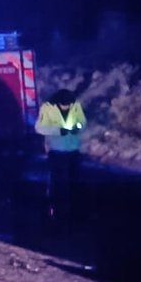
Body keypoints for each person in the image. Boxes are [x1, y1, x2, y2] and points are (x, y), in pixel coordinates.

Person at [35, 88, 87, 222]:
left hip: (73, 150)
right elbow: (39, 128)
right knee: (58, 183)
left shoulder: (76, 106)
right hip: (56, 152)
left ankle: (74, 210)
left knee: (74, 182)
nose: (67, 107)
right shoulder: (47, 109)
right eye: (65, 105)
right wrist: (58, 131)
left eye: (69, 105)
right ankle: (56, 210)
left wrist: (78, 127)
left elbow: (83, 122)